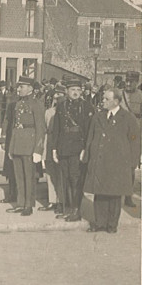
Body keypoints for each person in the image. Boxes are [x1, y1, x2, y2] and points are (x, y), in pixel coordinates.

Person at [82, 89, 140, 233]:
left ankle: (111, 225)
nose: (103, 101)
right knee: (99, 193)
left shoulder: (128, 118)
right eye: (103, 99)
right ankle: (99, 223)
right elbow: (90, 137)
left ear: (116, 101)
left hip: (118, 163)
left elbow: (135, 141)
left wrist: (132, 162)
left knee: (114, 194)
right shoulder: (98, 116)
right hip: (99, 160)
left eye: (106, 99)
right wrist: (87, 156)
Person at [49, 79, 95, 222]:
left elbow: (89, 130)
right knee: (65, 179)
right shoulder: (61, 106)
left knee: (75, 180)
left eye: (78, 90)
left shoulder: (87, 106)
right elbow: (57, 128)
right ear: (67, 91)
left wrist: (85, 149)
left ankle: (76, 210)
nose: (76, 92)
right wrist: (54, 148)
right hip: (63, 147)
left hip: (77, 148)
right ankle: (67, 208)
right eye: (73, 90)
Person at [3, 76, 46, 216]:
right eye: (19, 86)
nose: (18, 89)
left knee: (29, 177)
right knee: (19, 176)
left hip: (29, 145)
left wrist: (38, 150)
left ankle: (28, 205)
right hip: (18, 144)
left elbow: (40, 128)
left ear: (30, 89)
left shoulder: (36, 104)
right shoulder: (17, 104)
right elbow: (15, 127)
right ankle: (20, 203)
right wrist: (11, 147)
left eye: (22, 86)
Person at [38, 84, 65, 213]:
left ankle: (61, 200)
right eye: (56, 96)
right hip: (49, 143)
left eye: (60, 96)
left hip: (61, 144)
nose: (57, 99)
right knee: (50, 173)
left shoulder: (66, 112)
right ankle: (52, 200)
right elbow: (43, 129)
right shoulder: (48, 112)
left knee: (60, 174)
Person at [120, 70, 142, 208]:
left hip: (134, 136)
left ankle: (128, 196)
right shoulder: (119, 95)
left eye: (132, 81)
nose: (128, 84)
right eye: (127, 81)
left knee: (131, 166)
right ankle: (116, 195)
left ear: (137, 82)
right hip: (119, 135)